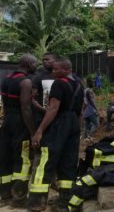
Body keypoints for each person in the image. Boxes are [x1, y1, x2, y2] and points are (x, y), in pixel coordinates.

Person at [29, 58, 84, 211]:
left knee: (46, 159)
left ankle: (37, 202)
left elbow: (53, 109)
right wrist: (77, 130)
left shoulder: (59, 83)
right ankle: (65, 202)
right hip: (73, 123)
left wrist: (39, 131)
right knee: (69, 162)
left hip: (60, 122)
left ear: (66, 70)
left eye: (56, 69)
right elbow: (82, 109)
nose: (52, 72)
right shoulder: (79, 85)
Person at [0, 54, 37, 205]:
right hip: (19, 123)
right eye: (35, 63)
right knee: (22, 158)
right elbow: (26, 109)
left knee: (5, 157)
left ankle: (5, 195)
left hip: (7, 120)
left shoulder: (7, 78)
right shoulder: (25, 82)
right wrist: (33, 131)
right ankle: (19, 197)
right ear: (29, 64)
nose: (36, 66)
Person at [31, 52, 57, 127]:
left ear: (55, 61)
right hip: (43, 115)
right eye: (43, 60)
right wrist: (43, 110)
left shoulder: (60, 76)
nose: (45, 61)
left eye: (47, 59)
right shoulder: (39, 77)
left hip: (59, 115)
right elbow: (32, 98)